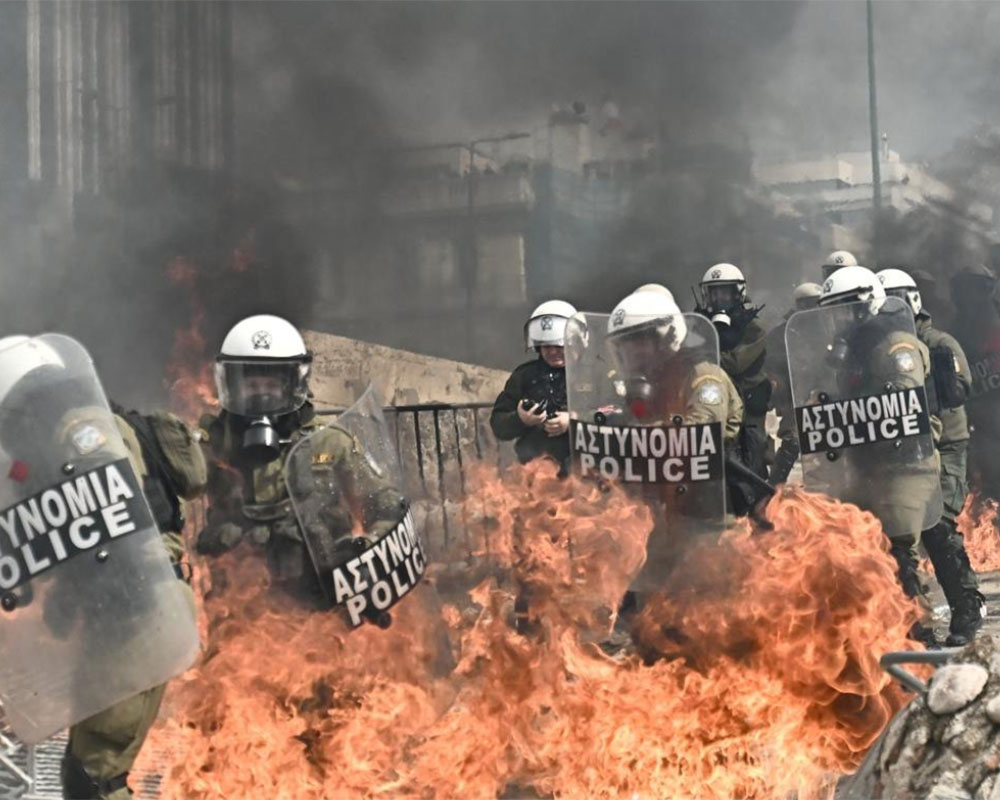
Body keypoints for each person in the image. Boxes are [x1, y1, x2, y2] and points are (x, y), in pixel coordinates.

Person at [195, 314, 404, 606]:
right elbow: (172, 498)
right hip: (239, 601)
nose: (261, 396)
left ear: (293, 385)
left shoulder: (329, 441)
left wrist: (364, 551)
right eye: (252, 387)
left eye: (270, 386)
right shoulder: (212, 444)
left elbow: (388, 505)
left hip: (320, 599)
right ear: (232, 386)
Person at [813, 266, 942, 641]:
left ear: (864, 306)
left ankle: (923, 641)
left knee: (899, 551)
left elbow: (901, 403)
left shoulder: (896, 347)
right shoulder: (853, 352)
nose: (836, 321)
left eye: (841, 310)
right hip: (868, 465)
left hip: (906, 466)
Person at [878, 267, 985, 646]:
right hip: (903, 450)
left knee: (937, 526)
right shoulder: (879, 349)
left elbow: (960, 389)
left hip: (946, 445)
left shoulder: (938, 343)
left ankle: (968, 608)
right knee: (898, 534)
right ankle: (917, 624)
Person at [694, 263, 769, 511]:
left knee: (750, 476)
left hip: (747, 412)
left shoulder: (754, 327)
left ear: (739, 293)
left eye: (726, 292)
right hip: (712, 403)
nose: (720, 299)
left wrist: (699, 355)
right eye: (714, 292)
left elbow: (734, 363)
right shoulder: (698, 324)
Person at [490, 300, 575, 474]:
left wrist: (574, 421)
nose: (552, 352)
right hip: (536, 473)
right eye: (546, 346)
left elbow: (612, 414)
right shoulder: (525, 376)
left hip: (582, 474)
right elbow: (498, 423)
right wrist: (519, 419)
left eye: (558, 345)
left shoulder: (590, 373)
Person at [765, 282, 822, 484]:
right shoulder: (784, 333)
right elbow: (772, 365)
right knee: (793, 440)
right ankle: (772, 488)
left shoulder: (828, 327)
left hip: (826, 392)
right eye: (807, 304)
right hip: (795, 395)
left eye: (817, 304)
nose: (813, 310)